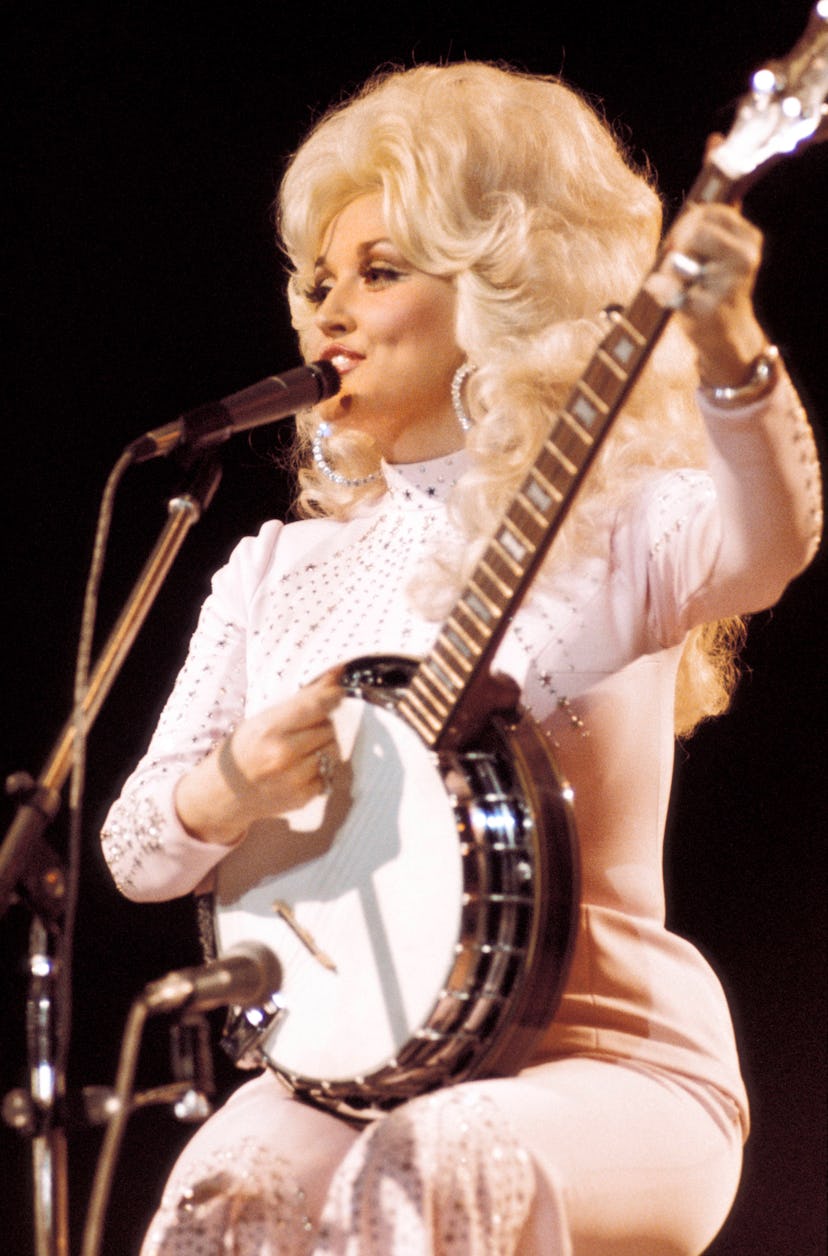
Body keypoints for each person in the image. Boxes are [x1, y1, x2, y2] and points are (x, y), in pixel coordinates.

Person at [101, 62, 822, 1255]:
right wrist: (230, 784)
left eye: (379, 272)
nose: (328, 312)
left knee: (432, 1166)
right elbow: (135, 852)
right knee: (220, 1200)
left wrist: (731, 345)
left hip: (610, 1061)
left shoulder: (612, 519)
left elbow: (771, 542)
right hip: (344, 1073)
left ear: (498, 292)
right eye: (316, 281)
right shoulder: (277, 569)